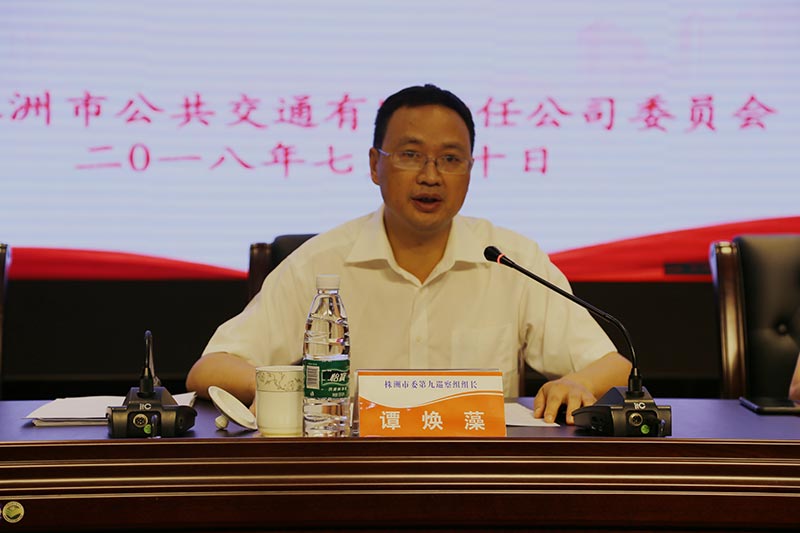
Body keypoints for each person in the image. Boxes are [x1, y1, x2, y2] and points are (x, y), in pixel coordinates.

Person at [186, 84, 631, 425]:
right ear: (374, 164)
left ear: (470, 169)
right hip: (351, 473)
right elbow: (210, 369)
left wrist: (578, 383)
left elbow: (613, 366)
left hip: (479, 476)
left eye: (450, 159)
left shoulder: (510, 259)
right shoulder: (320, 262)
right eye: (411, 155)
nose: (430, 176)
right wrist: (291, 388)